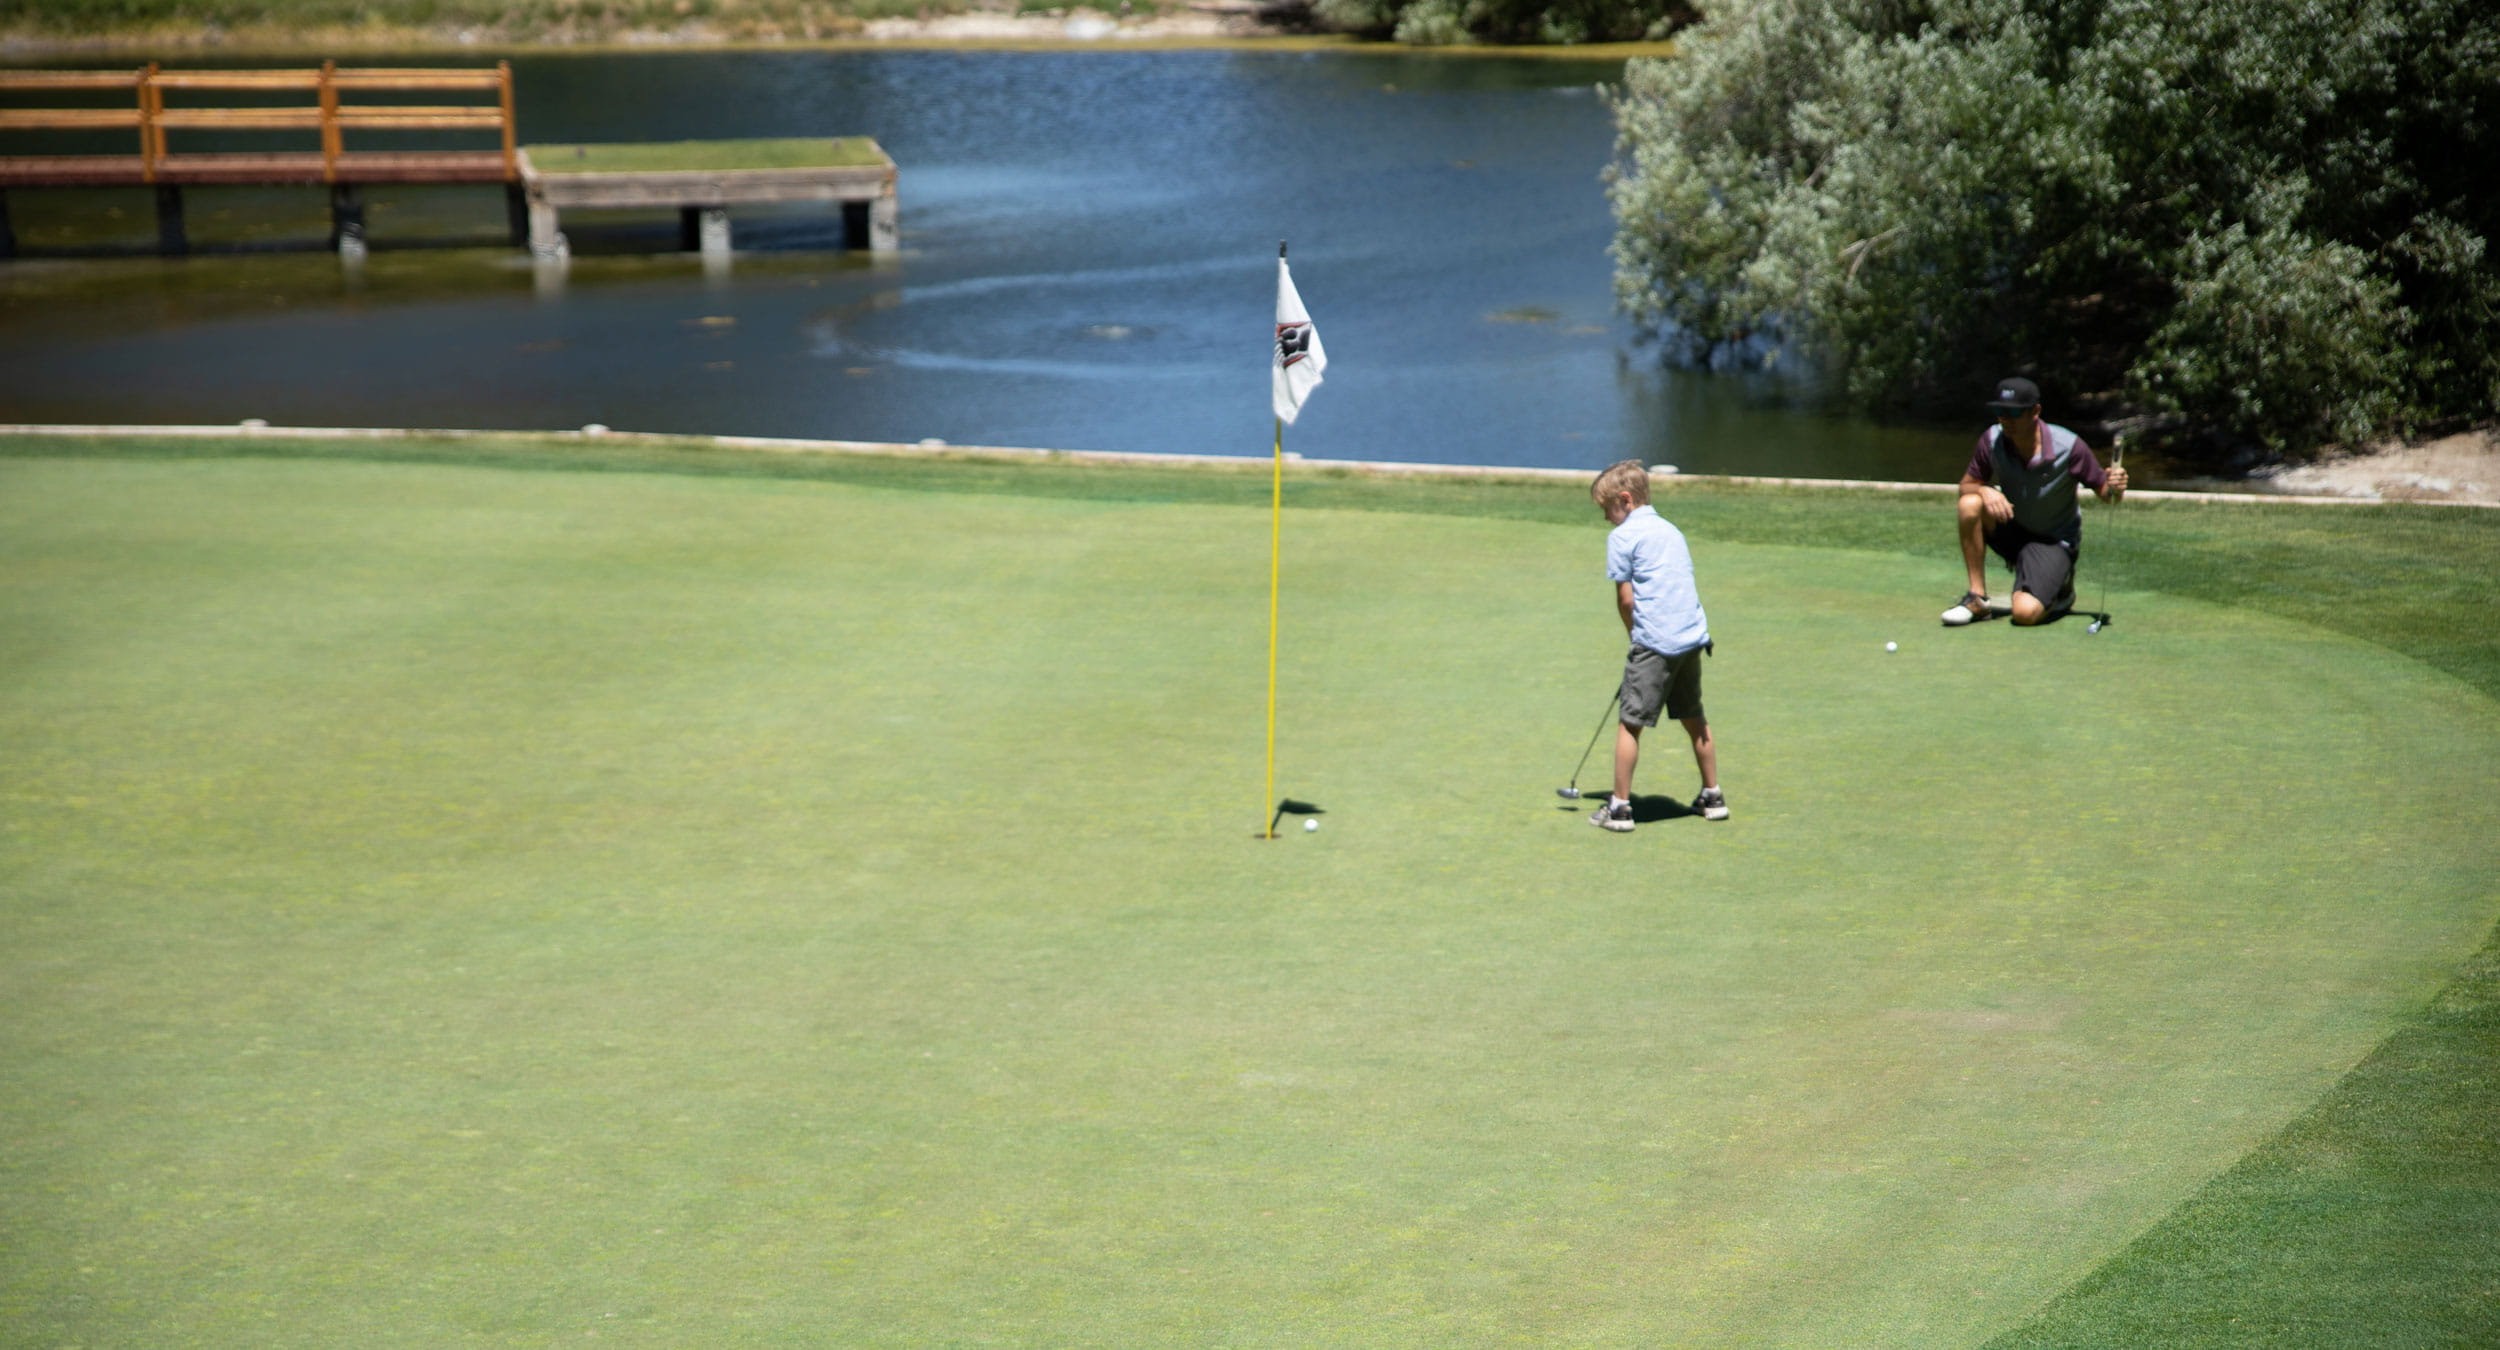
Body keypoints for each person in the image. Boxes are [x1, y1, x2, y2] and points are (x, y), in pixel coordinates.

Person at [1588, 460, 1725, 833]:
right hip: (1692, 637)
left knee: (1630, 723)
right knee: (1693, 716)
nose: (1606, 519)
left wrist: (1637, 637)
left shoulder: (1622, 537)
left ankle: (1619, 808)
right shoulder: (1671, 530)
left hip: (1656, 642)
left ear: (1626, 500)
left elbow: (1626, 601)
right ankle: (1713, 796)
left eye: (1607, 509)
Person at [1942, 376, 2129, 626]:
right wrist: (1985, 490)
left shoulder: (2069, 446)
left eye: (2014, 412)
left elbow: (2107, 494)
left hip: (2052, 542)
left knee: (2024, 614)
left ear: (2035, 411)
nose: (2005, 419)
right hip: (2013, 529)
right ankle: (1977, 599)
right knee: (1970, 503)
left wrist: (2116, 486)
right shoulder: (1991, 439)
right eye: (2000, 411)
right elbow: (1966, 486)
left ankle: (2062, 590)